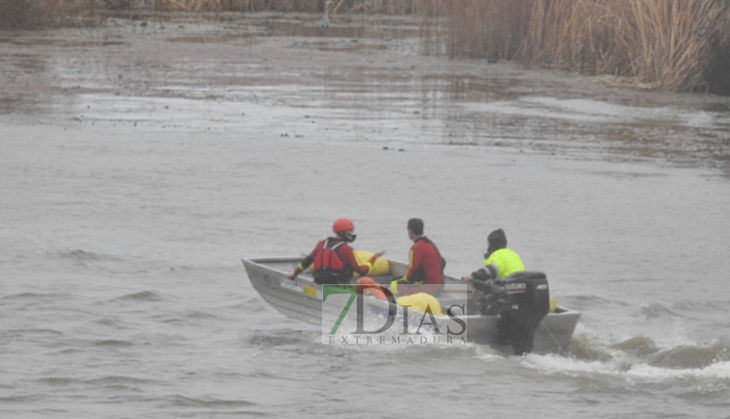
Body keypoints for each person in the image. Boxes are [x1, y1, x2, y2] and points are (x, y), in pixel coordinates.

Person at [287, 218, 384, 285]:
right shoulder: (346, 249)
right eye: (349, 231)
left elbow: (307, 261)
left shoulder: (321, 244)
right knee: (367, 282)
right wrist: (373, 258)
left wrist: (294, 273)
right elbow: (362, 271)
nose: (352, 234)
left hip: (319, 281)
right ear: (342, 232)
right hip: (338, 283)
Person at [389, 218, 444, 296]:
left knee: (393, 285)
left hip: (428, 289)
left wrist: (401, 280)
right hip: (439, 287)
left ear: (410, 232)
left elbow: (412, 274)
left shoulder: (416, 248)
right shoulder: (430, 244)